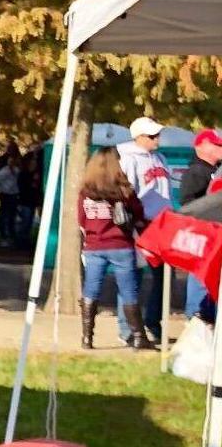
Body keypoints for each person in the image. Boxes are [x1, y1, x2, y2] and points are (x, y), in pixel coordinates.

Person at [77, 147, 149, 350]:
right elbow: (138, 212)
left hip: (93, 246)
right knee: (128, 291)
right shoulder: (123, 190)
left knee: (91, 290)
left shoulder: (85, 191)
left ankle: (87, 338)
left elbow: (81, 219)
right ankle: (138, 337)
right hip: (120, 244)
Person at [116, 117, 172, 345]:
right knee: (133, 277)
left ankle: (153, 323)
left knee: (163, 277)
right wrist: (134, 222)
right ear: (138, 137)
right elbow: (126, 194)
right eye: (152, 136)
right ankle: (127, 329)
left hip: (162, 224)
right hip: (140, 225)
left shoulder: (160, 158)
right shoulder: (128, 159)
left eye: (157, 134)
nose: (156, 139)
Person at [179, 129, 222, 321]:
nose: (221, 148)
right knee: (200, 276)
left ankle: (206, 316)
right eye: (217, 145)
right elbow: (187, 203)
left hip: (215, 233)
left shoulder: (214, 170)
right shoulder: (195, 172)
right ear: (201, 147)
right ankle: (195, 318)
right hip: (203, 232)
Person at [0, 147, 20, 247]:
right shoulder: (5, 171)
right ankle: (4, 236)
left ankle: (11, 236)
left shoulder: (16, 171)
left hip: (13, 195)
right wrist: (0, 190)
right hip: (6, 195)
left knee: (11, 216)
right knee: (4, 215)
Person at [17, 146, 42, 249]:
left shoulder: (34, 174)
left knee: (28, 222)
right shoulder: (24, 174)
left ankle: (25, 240)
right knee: (25, 222)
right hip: (25, 201)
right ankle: (21, 241)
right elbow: (23, 188)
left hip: (31, 201)